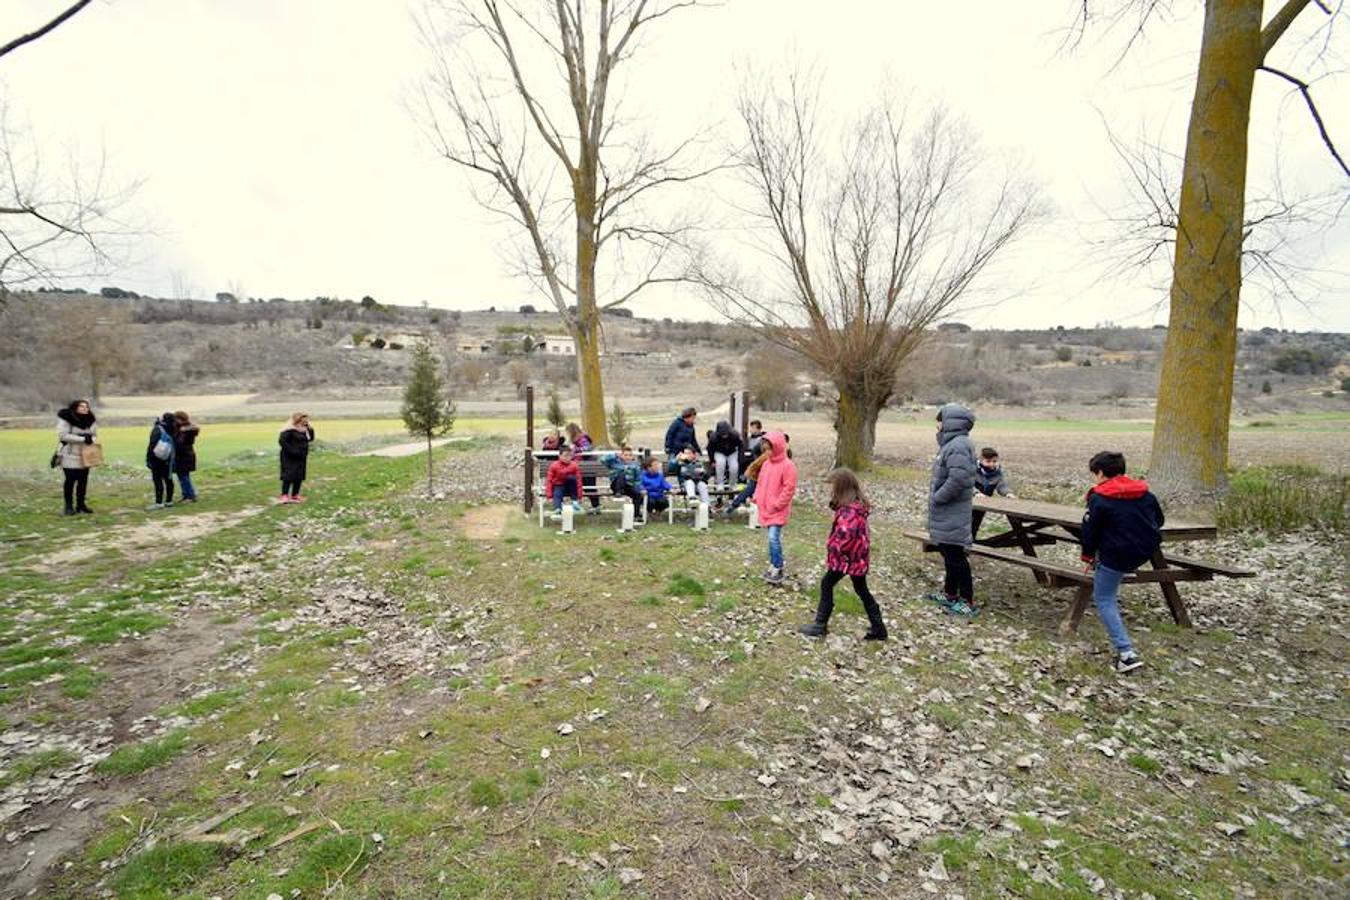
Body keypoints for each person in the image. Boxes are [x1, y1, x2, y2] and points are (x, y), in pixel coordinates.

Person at [1079, 451, 1163, 674]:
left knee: (1104, 598)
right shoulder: (1146, 494)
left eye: (1094, 474)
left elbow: (1090, 532)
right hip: (1144, 550)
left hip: (1115, 555)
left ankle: (1126, 654)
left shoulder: (1098, 498)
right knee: (1110, 584)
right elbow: (1159, 520)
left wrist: (1087, 556)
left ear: (1100, 473)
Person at [799, 468, 886, 640]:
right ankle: (879, 628)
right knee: (861, 589)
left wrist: (833, 548)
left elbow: (845, 536)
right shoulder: (855, 506)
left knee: (827, 583)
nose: (831, 491)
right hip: (857, 558)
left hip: (846, 559)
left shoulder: (849, 512)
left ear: (841, 488)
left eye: (833, 488)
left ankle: (820, 624)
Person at [926, 404, 978, 616]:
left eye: (940, 421)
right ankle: (950, 594)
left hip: (952, 511)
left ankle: (967, 600)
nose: (937, 425)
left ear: (949, 423)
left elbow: (958, 479)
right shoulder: (951, 445)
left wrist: (938, 498)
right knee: (948, 553)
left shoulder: (958, 446)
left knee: (956, 556)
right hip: (947, 512)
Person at [753, 432, 797, 585]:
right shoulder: (766, 464)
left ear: (777, 447)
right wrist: (757, 496)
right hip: (766, 507)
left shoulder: (788, 466)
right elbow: (760, 482)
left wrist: (778, 504)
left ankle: (778, 567)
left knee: (773, 538)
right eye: (765, 450)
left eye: (769, 449)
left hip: (778, 510)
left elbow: (789, 489)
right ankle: (773, 563)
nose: (767, 453)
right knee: (771, 539)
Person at [55, 399, 97, 516]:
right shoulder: (66, 418)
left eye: (86, 407)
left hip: (86, 454)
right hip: (69, 454)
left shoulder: (90, 419)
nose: (85, 409)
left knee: (83, 480)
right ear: (75, 408)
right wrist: (82, 438)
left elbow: (94, 435)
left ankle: (81, 505)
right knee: (70, 480)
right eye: (82, 406)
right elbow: (63, 435)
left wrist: (91, 439)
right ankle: (68, 506)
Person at [970, 446, 1012, 537]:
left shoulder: (997, 473)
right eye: (988, 461)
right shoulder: (972, 469)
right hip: (968, 502)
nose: (991, 464)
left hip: (984, 503)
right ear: (981, 460)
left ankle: (971, 541)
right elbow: (967, 484)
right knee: (965, 524)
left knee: (975, 524)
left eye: (994, 461)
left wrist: (1008, 493)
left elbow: (1002, 485)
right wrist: (976, 493)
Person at [278, 411, 315, 503]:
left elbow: (311, 439)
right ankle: (284, 495)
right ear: (298, 420)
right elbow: (282, 442)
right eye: (304, 419)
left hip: (301, 456)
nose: (306, 421)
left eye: (306, 419)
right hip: (289, 457)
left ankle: (295, 495)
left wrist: (310, 429)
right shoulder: (289, 429)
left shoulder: (304, 429)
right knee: (288, 475)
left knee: (299, 476)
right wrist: (292, 451)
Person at [564, 423, 601, 512]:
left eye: (568, 432)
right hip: (582, 466)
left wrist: (575, 449)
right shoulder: (574, 441)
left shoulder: (582, 438)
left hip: (589, 465)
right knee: (585, 485)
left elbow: (587, 449)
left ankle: (596, 505)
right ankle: (594, 505)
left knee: (590, 486)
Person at [146, 412, 178, 509]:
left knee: (157, 479)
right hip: (168, 457)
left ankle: (159, 502)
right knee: (168, 479)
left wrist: (148, 458)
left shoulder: (158, 429)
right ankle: (169, 501)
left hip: (156, 458)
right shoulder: (174, 428)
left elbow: (152, 444)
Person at [707, 420, 744, 496]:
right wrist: (712, 461)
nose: (724, 436)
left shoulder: (735, 434)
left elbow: (741, 446)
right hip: (719, 452)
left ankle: (732, 484)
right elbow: (710, 449)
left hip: (732, 452)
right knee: (720, 464)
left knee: (734, 467)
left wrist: (740, 458)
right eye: (722, 434)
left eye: (726, 434)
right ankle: (720, 484)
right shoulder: (713, 437)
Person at [173, 411, 200, 503]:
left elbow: (179, 443)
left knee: (183, 477)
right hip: (186, 455)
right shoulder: (186, 429)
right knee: (183, 476)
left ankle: (190, 496)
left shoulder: (184, 431)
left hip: (184, 456)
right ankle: (186, 495)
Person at [546, 446, 584, 512]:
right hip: (559, 485)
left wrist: (579, 496)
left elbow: (578, 481)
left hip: (571, 488)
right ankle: (557, 509)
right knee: (557, 493)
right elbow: (549, 481)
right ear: (560, 456)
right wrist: (549, 496)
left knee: (572, 478)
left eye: (570, 456)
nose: (567, 458)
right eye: (565, 456)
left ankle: (575, 502)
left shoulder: (574, 465)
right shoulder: (554, 465)